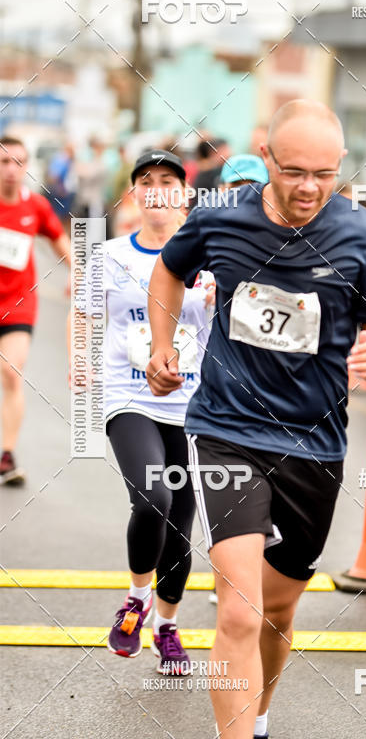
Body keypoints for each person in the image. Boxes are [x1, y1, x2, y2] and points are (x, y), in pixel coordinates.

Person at [145, 100, 366, 739]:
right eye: (294, 171)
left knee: (276, 614)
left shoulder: (361, 234)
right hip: (227, 429)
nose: (308, 188)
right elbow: (168, 270)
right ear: (267, 158)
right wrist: (163, 345)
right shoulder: (220, 221)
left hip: (314, 442)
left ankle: (258, 714)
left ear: (341, 167)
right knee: (239, 613)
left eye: (323, 174)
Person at [70, 149, 214, 673]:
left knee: (181, 521)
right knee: (153, 495)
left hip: (194, 405)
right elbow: (83, 315)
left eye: (168, 181)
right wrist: (79, 365)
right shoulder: (108, 255)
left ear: (185, 195)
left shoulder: (211, 257)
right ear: (134, 194)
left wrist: (220, 297)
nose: (157, 190)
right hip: (128, 397)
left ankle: (168, 628)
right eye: (146, 181)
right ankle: (136, 599)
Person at [0, 136, 71, 485]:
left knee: (11, 373)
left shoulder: (36, 206)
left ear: (27, 167)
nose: (11, 170)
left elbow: (61, 242)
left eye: (18, 162)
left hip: (17, 303)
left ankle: (7, 456)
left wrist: (80, 273)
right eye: (4, 162)